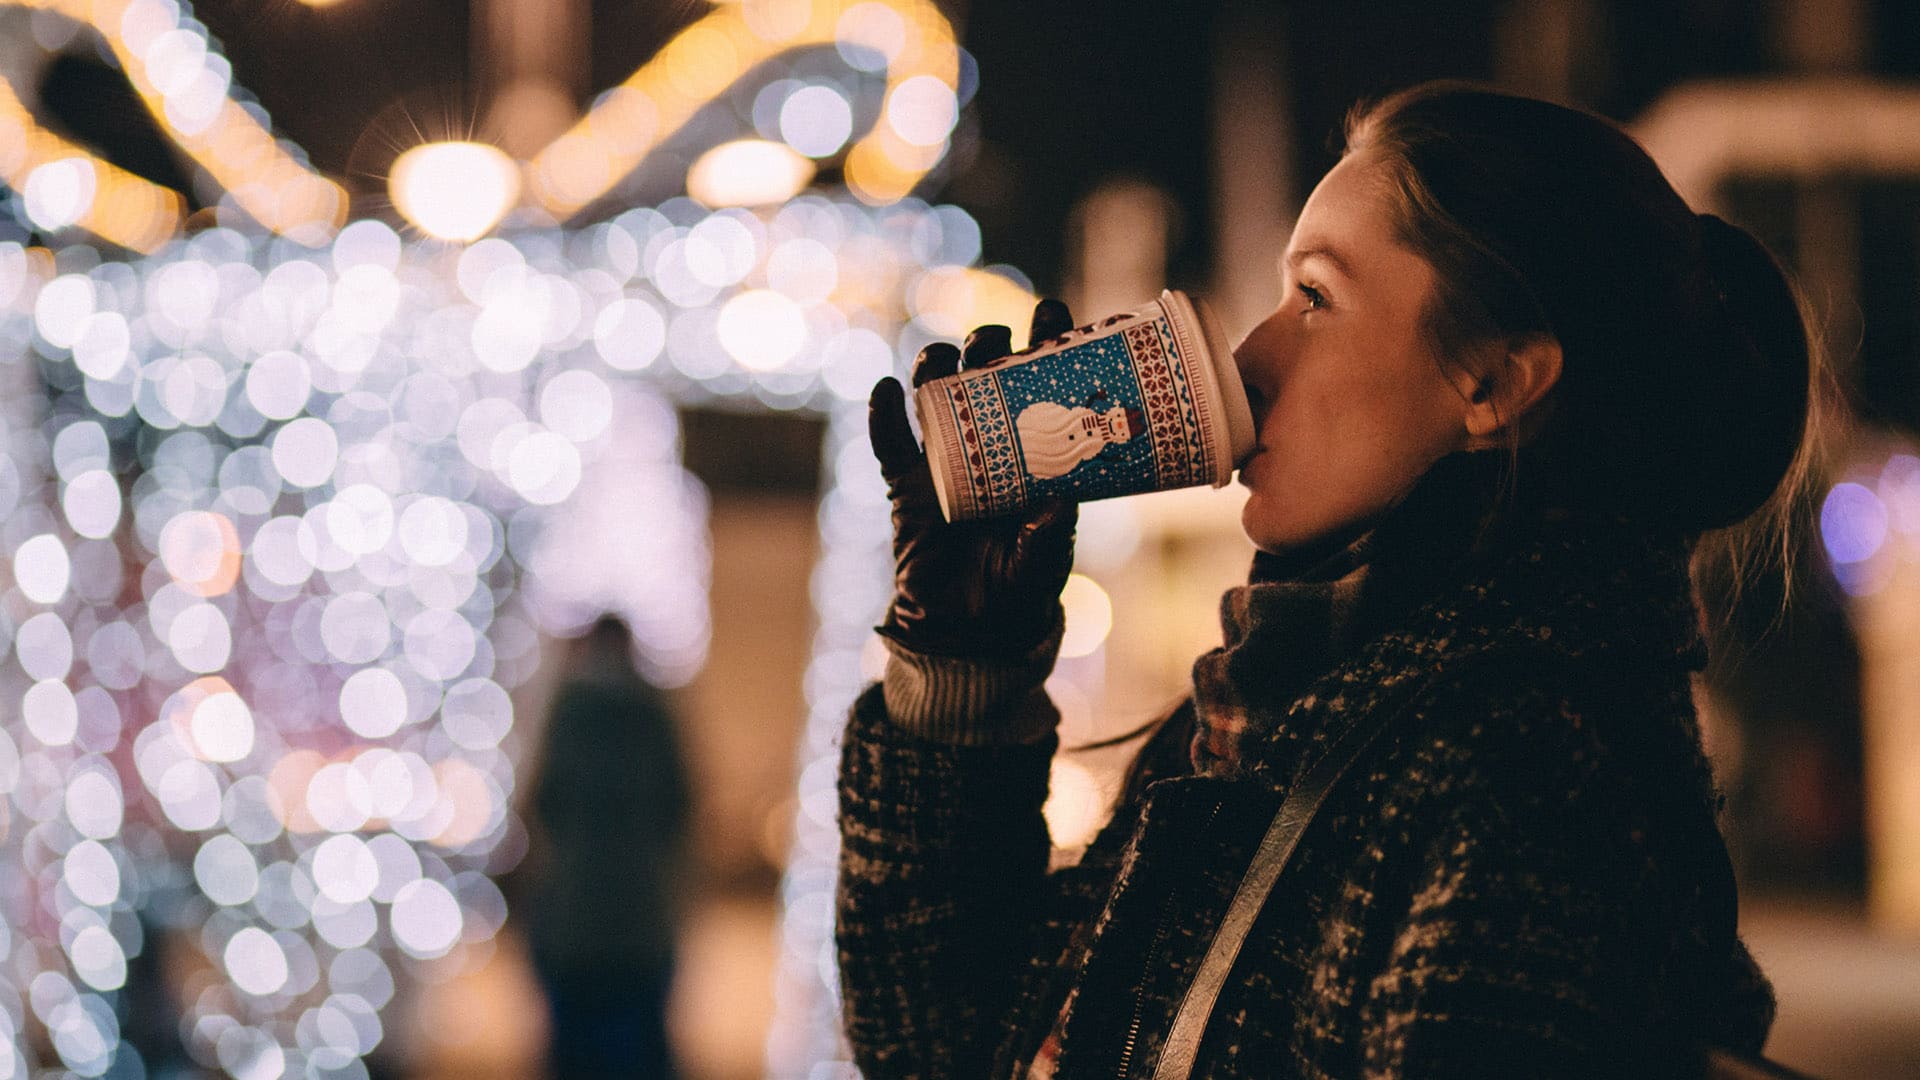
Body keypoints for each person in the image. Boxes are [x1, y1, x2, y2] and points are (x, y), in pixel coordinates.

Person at [836, 82, 1825, 1079]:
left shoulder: (1530, 777)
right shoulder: (1272, 710)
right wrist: (965, 674)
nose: (1252, 355)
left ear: (1493, 381)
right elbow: (944, 1049)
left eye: (1315, 297)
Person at [523, 615, 693, 1079]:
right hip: (632, 921)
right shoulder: (648, 713)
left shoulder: (572, 713)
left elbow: (543, 803)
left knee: (582, 1050)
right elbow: (679, 805)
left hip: (586, 921)